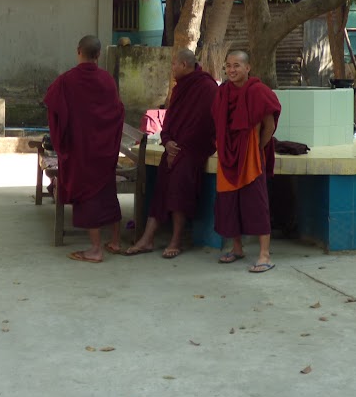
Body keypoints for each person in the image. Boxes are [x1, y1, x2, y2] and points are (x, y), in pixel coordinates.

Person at [116, 48, 218, 259]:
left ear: (183, 65)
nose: (171, 68)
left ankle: (176, 240)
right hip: (175, 147)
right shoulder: (180, 88)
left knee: (179, 185)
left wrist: (179, 148)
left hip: (193, 149)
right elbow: (170, 118)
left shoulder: (206, 87)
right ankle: (147, 238)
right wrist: (167, 141)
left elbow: (204, 124)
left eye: (173, 64)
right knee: (161, 187)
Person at [44, 35, 125, 263]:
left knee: (88, 197)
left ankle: (96, 249)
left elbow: (53, 109)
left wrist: (62, 141)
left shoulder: (67, 80)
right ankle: (116, 242)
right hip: (104, 150)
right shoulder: (108, 80)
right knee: (107, 193)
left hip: (81, 151)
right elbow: (118, 112)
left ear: (78, 50)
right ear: (99, 54)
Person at [212, 50, 281, 273]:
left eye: (237, 66)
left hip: (251, 154)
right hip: (227, 153)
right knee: (229, 201)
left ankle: (264, 254)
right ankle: (237, 248)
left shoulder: (258, 91)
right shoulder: (222, 93)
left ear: (248, 67)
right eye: (228, 66)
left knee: (257, 202)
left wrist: (257, 147)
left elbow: (269, 125)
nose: (231, 70)